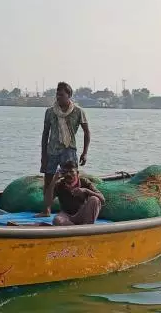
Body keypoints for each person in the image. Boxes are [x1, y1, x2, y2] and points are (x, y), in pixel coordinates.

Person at [39, 81, 90, 211]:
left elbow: (87, 132)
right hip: (52, 151)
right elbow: (45, 134)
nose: (58, 97)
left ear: (69, 96)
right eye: (57, 95)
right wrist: (43, 156)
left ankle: (74, 209)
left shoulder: (78, 112)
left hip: (69, 150)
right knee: (48, 181)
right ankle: (46, 209)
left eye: (61, 95)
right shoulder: (50, 112)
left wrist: (85, 153)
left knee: (72, 180)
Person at [41, 161, 104, 226]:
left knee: (95, 199)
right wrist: (54, 181)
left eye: (71, 172)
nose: (68, 174)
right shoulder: (59, 184)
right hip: (67, 215)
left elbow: (102, 199)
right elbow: (47, 203)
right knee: (57, 220)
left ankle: (86, 227)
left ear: (77, 173)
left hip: (83, 214)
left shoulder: (84, 182)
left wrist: (86, 190)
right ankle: (77, 229)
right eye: (66, 172)